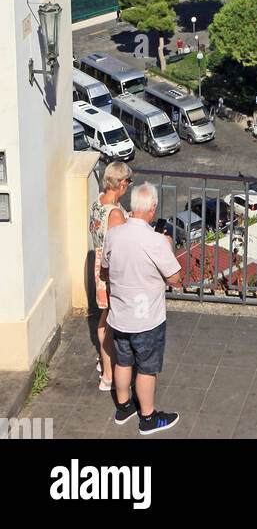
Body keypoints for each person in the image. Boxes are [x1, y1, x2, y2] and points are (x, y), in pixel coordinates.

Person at [100, 181, 182, 434]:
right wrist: (168, 245)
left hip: (120, 315)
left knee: (123, 361)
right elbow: (175, 279)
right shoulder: (155, 240)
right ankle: (148, 417)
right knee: (146, 368)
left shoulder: (113, 234)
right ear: (152, 208)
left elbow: (105, 268)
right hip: (147, 319)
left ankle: (123, 406)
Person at [89, 161, 132, 391]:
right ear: (122, 183)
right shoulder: (115, 213)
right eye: (128, 182)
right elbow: (119, 245)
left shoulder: (98, 202)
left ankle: (105, 364)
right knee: (109, 321)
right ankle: (108, 374)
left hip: (99, 265)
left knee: (106, 317)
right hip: (111, 269)